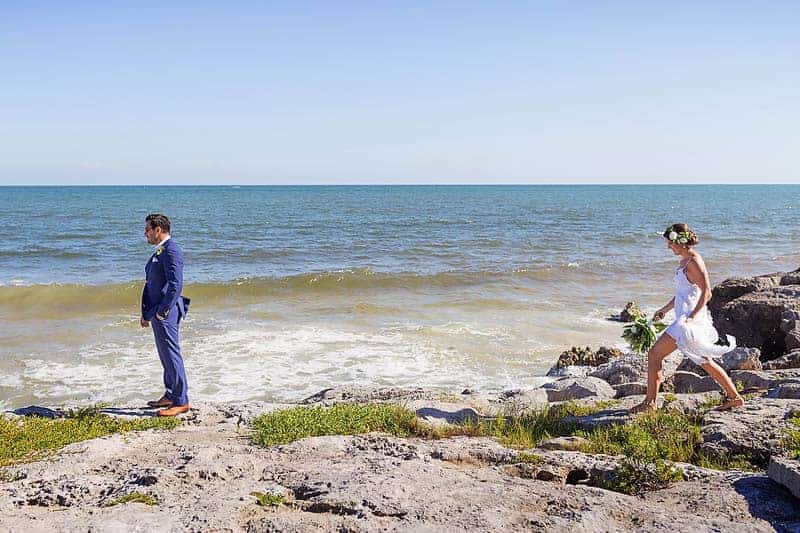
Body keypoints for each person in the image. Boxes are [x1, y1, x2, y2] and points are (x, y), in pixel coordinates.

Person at [631, 223, 744, 413]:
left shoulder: (694, 262)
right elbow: (683, 293)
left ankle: (650, 404)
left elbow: (707, 292)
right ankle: (735, 397)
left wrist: (691, 318)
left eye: (670, 243)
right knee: (704, 360)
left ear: (681, 241)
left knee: (654, 355)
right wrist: (665, 310)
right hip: (684, 318)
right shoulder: (684, 261)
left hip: (687, 321)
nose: (668, 246)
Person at [141, 213, 191, 416]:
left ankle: (181, 401)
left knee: (171, 354)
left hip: (166, 312)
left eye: (147, 229)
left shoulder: (172, 250)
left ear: (158, 230)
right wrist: (146, 313)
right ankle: (170, 394)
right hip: (157, 311)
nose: (145, 233)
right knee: (164, 354)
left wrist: (163, 311)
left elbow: (176, 284)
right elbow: (153, 283)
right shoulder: (161, 250)